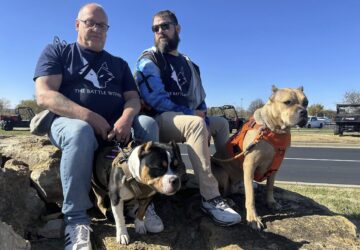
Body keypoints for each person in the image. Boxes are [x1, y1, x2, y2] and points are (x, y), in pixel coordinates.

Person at [33, 3, 159, 250]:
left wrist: (125, 119)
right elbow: (44, 95)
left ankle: (143, 202)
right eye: (90, 22)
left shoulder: (119, 64)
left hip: (116, 130)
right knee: (81, 132)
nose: (97, 29)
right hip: (70, 125)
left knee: (147, 123)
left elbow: (133, 99)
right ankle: (77, 219)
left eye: (102, 25)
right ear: (77, 24)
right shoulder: (58, 52)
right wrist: (89, 117)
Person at [134, 10, 241, 226]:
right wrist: (194, 115)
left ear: (177, 28)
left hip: (187, 117)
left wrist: (203, 114)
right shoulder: (149, 58)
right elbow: (155, 99)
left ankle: (234, 179)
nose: (160, 32)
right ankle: (210, 197)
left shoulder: (190, 64)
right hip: (160, 119)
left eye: (165, 26)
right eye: (155, 29)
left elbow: (200, 98)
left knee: (221, 124)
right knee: (196, 124)